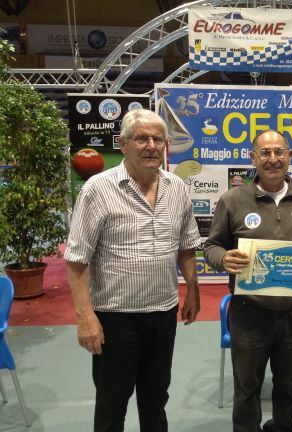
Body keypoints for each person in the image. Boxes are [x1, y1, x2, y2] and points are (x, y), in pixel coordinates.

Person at [65, 109, 202, 432]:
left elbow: (186, 245)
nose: (151, 145)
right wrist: (86, 318)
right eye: (142, 138)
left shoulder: (177, 188)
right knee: (112, 405)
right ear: (123, 144)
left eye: (158, 139)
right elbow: (76, 260)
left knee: (156, 401)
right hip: (116, 319)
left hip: (163, 314)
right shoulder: (98, 190)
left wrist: (192, 287)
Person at [204, 129, 292, 432]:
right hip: (249, 311)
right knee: (247, 388)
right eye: (265, 153)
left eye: (279, 152)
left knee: (289, 387)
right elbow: (211, 246)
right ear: (253, 158)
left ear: (290, 156)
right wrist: (223, 259)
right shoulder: (232, 199)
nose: (273, 159)